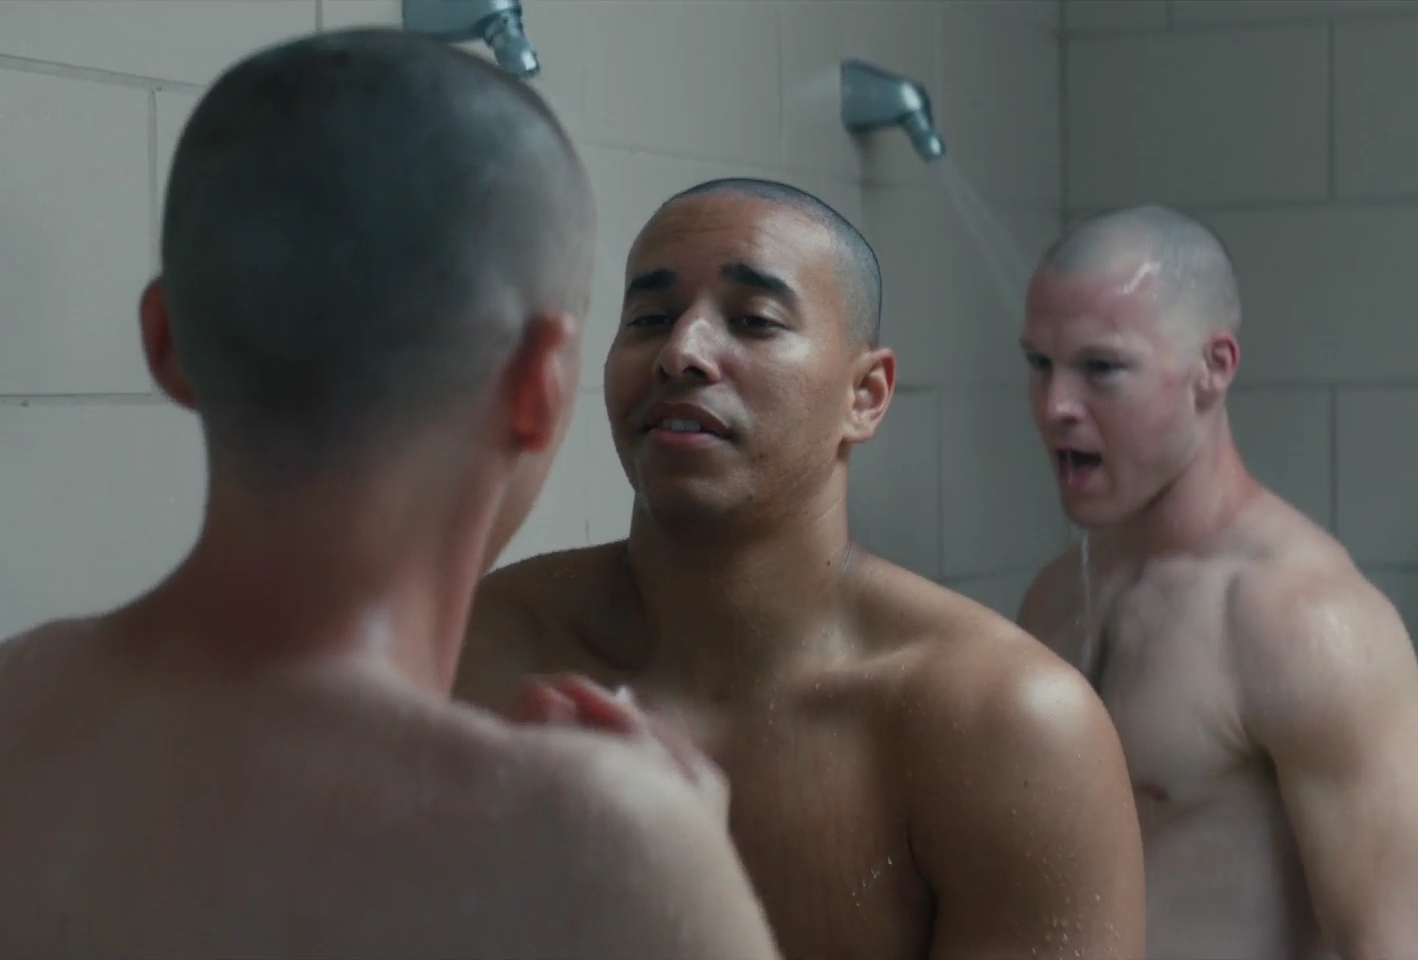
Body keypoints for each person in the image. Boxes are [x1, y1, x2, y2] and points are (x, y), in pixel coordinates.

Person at [0, 30, 780, 959]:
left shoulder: (3, 713)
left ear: (165, 340)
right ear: (537, 382)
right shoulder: (591, 837)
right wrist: (678, 853)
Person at [454, 177, 1147, 960]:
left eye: (753, 321)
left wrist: (685, 909)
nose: (681, 352)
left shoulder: (1007, 726)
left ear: (866, 395)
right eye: (649, 318)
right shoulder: (484, 647)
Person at [1015, 205, 1418, 959]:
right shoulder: (1056, 597)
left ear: (1213, 369)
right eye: (1039, 363)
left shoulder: (1302, 623)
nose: (1056, 405)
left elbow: (1405, 949)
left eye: (1101, 368)